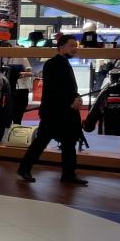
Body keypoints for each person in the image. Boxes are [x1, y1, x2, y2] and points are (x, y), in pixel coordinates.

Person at [17, 34, 87, 185]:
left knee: (68, 143)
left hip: (64, 111)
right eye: (71, 46)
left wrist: (77, 98)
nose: (75, 49)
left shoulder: (62, 63)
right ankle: (24, 168)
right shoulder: (53, 64)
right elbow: (54, 90)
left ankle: (68, 174)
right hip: (54, 112)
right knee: (42, 141)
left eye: (76, 46)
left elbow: (67, 88)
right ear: (61, 47)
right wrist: (71, 102)